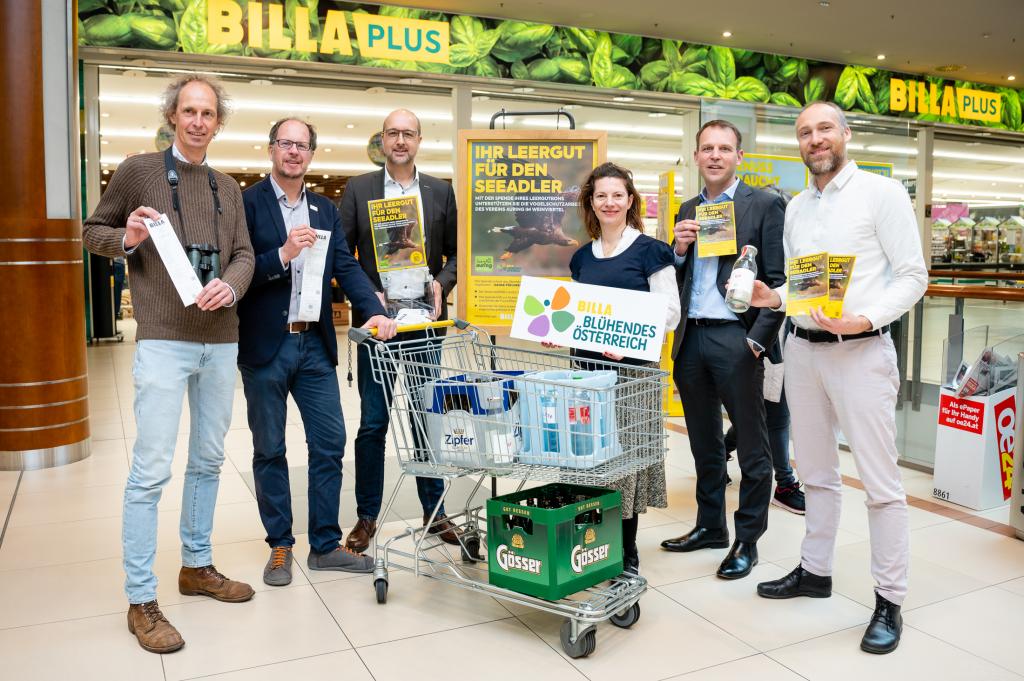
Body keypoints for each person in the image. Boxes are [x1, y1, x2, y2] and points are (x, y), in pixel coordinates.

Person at [82, 74, 255, 654]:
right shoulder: (137, 170)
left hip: (220, 339)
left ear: (218, 121)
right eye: (189, 111)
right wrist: (126, 237)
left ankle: (197, 566)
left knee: (208, 460)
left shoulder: (229, 187)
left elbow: (244, 255)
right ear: (172, 116)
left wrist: (230, 287)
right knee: (150, 471)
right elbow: (91, 231)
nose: (199, 121)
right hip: (163, 338)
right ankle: (140, 599)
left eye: (208, 112)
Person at [750, 101, 927, 655]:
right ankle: (814, 571)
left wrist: (865, 318)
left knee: (880, 484)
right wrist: (773, 298)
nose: (815, 139)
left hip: (862, 353)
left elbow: (914, 275)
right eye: (805, 132)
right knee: (817, 474)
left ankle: (890, 600)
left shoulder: (882, 194)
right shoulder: (798, 206)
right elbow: (805, 286)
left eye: (824, 128)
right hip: (802, 351)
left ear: (845, 134)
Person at [236, 118, 398, 587]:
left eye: (301, 145)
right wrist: (282, 254)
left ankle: (324, 544)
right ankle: (280, 546)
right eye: (285, 144)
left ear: (311, 153)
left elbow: (345, 267)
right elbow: (239, 269)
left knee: (329, 443)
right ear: (271, 150)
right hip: (266, 345)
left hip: (314, 344)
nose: (293, 152)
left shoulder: (324, 209)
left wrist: (372, 310)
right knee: (270, 448)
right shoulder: (247, 204)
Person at [659, 120, 786, 581]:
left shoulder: (766, 205)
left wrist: (757, 341)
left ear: (738, 157)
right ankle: (709, 525)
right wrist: (676, 249)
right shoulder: (688, 207)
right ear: (696, 156)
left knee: (752, 446)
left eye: (724, 148)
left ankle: (746, 540)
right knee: (704, 443)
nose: (715, 155)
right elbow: (676, 279)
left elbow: (779, 279)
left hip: (737, 336)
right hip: (692, 337)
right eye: (707, 148)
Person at [340, 108, 461, 552]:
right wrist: (371, 301)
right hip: (378, 326)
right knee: (373, 422)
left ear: (419, 140)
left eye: (408, 133)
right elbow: (343, 255)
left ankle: (436, 512)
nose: (400, 141)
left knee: (426, 417)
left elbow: (454, 256)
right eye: (392, 133)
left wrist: (440, 285)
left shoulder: (440, 191)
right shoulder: (359, 189)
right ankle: (367, 517)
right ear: (382, 139)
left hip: (425, 326)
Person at [568, 162, 681, 575]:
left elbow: (670, 312)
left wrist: (624, 337)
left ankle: (625, 552)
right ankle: (592, 544)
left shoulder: (651, 251)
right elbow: (579, 313)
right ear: (591, 203)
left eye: (617, 195)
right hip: (586, 375)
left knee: (623, 465)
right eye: (601, 196)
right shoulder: (582, 258)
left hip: (632, 376)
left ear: (630, 201)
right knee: (588, 461)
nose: (609, 202)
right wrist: (557, 329)